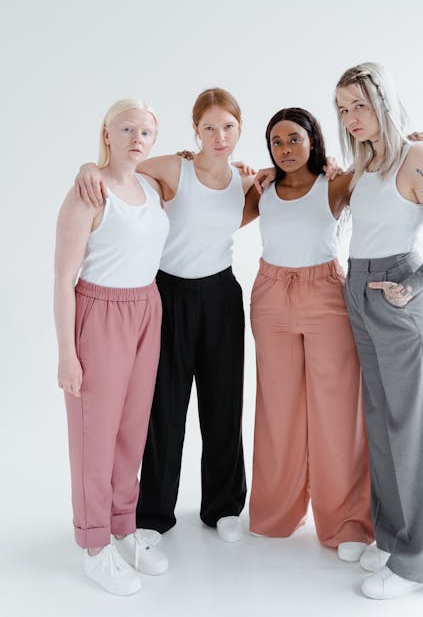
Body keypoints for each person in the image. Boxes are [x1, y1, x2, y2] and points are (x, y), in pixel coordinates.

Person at [74, 88, 254, 544]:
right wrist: (85, 168)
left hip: (221, 295)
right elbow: (118, 170)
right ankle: (152, 513)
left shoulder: (245, 180)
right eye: (209, 127)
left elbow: (243, 215)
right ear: (195, 130)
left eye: (228, 127)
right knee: (163, 409)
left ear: (239, 130)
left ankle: (224, 506)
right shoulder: (175, 168)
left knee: (223, 403)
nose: (219, 136)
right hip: (169, 294)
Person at [335, 62, 423, 599]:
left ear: (383, 101)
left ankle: (421, 563)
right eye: (342, 109)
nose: (351, 118)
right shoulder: (365, 162)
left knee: (417, 431)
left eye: (360, 105)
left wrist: (409, 289)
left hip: (399, 296)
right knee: (383, 425)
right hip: (361, 294)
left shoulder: (418, 157)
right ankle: (392, 537)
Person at [241, 108, 373, 559]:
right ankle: (276, 512)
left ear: (313, 140)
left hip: (325, 297)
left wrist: (416, 141)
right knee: (278, 408)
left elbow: (380, 174)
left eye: (294, 139)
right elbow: (213, 212)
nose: (286, 149)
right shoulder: (262, 190)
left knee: (336, 410)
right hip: (271, 296)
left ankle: (346, 523)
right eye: (277, 142)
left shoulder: (334, 184)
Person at [54, 99, 170, 595]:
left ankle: (124, 526)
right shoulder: (88, 192)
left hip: (148, 306)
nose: (136, 138)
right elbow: (62, 278)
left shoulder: (151, 185)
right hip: (99, 313)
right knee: (94, 436)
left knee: (131, 430)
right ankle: (94, 545)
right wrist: (66, 354)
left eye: (145, 131)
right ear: (107, 132)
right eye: (125, 128)